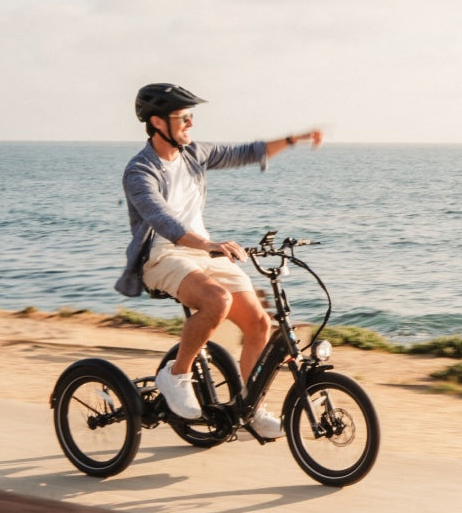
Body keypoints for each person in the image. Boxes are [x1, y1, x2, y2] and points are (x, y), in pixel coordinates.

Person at [122, 83, 323, 437]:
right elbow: (163, 221)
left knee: (259, 323)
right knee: (217, 300)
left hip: (201, 251)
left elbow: (246, 152)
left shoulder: (194, 153)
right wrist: (209, 244)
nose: (190, 123)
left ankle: (250, 408)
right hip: (161, 255)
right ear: (157, 122)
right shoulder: (140, 171)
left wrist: (294, 139)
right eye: (183, 117)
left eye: (190, 116)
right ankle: (176, 375)